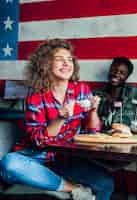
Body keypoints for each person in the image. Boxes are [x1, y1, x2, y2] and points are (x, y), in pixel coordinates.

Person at [0, 39, 114, 200]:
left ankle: (52, 184)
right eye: (60, 59)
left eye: (69, 60)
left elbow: (92, 132)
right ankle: (72, 188)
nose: (67, 63)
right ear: (45, 65)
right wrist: (59, 119)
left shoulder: (81, 90)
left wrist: (93, 111)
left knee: (106, 183)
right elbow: (39, 142)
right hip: (34, 158)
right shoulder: (36, 98)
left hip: (65, 159)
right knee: (9, 164)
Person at [93, 56, 137, 131]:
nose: (116, 74)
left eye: (122, 73)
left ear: (127, 76)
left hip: (127, 139)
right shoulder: (96, 94)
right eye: (114, 70)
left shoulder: (134, 92)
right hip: (100, 138)